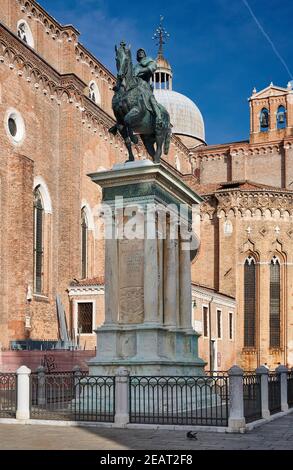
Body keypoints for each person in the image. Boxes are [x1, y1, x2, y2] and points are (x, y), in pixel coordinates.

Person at [133, 48, 163, 127]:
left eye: (142, 52)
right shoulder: (135, 66)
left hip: (144, 85)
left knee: (150, 98)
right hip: (135, 84)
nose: (140, 53)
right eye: (138, 52)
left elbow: (152, 67)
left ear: (144, 54)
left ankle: (159, 117)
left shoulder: (149, 60)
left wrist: (141, 71)